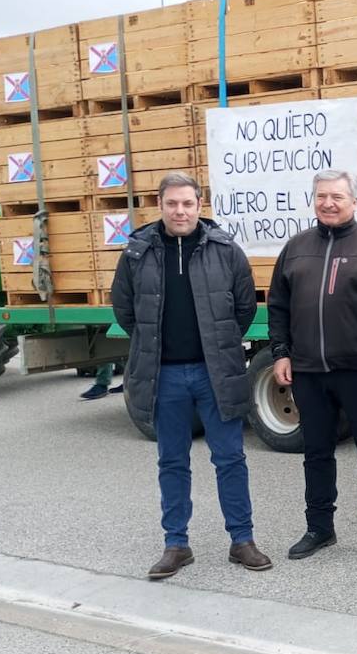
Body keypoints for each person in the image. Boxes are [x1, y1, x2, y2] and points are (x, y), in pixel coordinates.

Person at [111, 171, 269, 580]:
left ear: (200, 205)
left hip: (215, 373)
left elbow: (244, 308)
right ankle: (176, 544)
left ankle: (242, 540)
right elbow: (125, 310)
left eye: (187, 203)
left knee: (230, 458)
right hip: (164, 376)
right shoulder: (137, 254)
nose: (180, 211)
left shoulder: (225, 250)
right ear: (159, 206)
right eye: (172, 204)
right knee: (172, 461)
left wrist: (218, 345)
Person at [268, 169, 357, 563]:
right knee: (316, 452)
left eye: (337, 197)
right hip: (308, 370)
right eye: (321, 196)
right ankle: (319, 528)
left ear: (355, 202)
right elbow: (278, 305)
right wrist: (281, 352)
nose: (328, 203)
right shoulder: (295, 248)